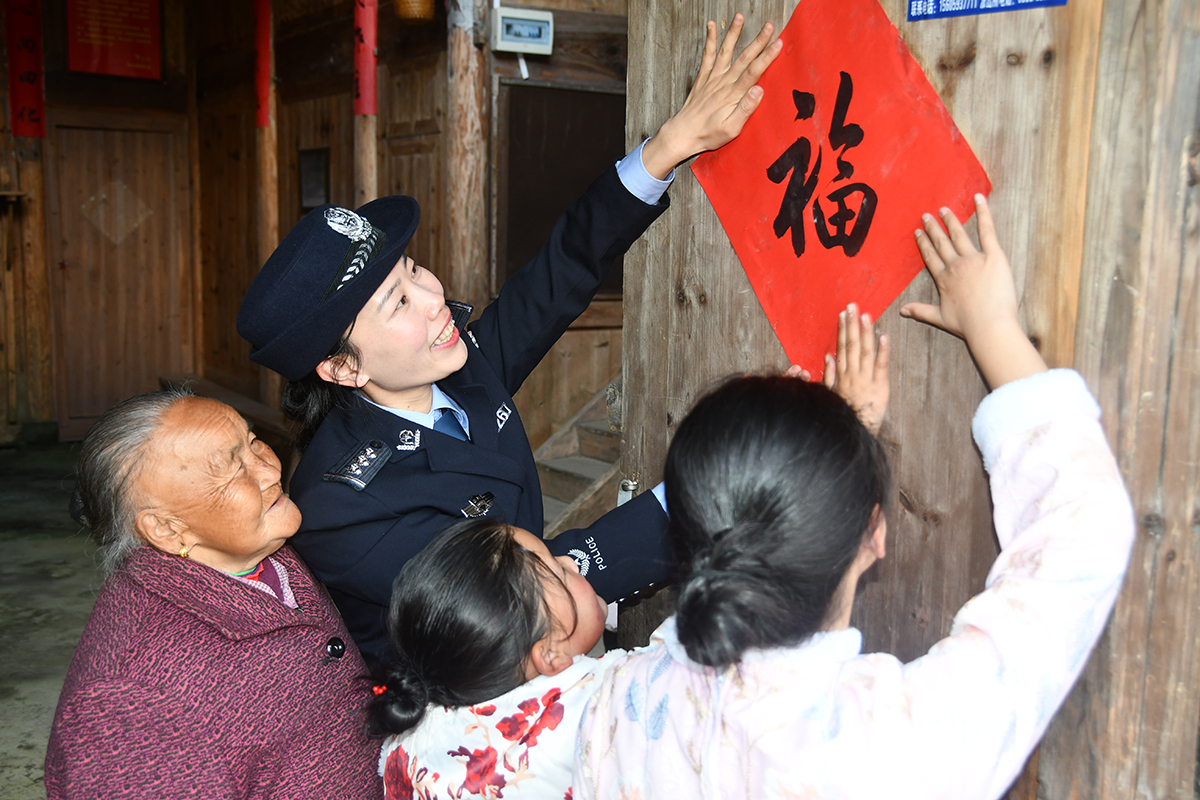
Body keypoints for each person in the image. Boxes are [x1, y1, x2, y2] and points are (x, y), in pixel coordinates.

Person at [236, 14, 783, 665]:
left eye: (415, 270)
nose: (436, 300)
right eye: (399, 302)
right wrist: (716, 486)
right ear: (342, 368)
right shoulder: (343, 507)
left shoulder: (453, 369)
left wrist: (668, 147)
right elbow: (522, 600)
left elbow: (559, 273)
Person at [572, 195, 1136, 800]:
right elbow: (1084, 533)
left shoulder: (617, 702)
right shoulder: (888, 755)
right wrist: (993, 327)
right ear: (875, 532)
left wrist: (839, 453)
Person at [367, 304, 886, 800]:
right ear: (550, 656)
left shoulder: (406, 744)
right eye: (558, 573)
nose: (569, 561)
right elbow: (743, 682)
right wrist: (830, 443)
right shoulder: (605, 712)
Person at [45, 391, 382, 800]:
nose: (269, 470)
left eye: (253, 442)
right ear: (167, 530)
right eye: (231, 469)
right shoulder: (132, 701)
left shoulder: (254, 551)